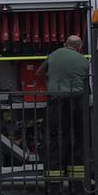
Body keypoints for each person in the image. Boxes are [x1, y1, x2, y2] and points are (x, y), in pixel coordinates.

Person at [36, 35, 89, 182]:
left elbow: (39, 72)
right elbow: (84, 80)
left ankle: (54, 177)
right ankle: (77, 178)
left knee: (55, 136)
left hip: (57, 101)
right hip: (77, 101)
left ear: (65, 44)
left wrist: (50, 80)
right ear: (80, 46)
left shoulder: (55, 54)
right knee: (78, 136)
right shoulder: (84, 60)